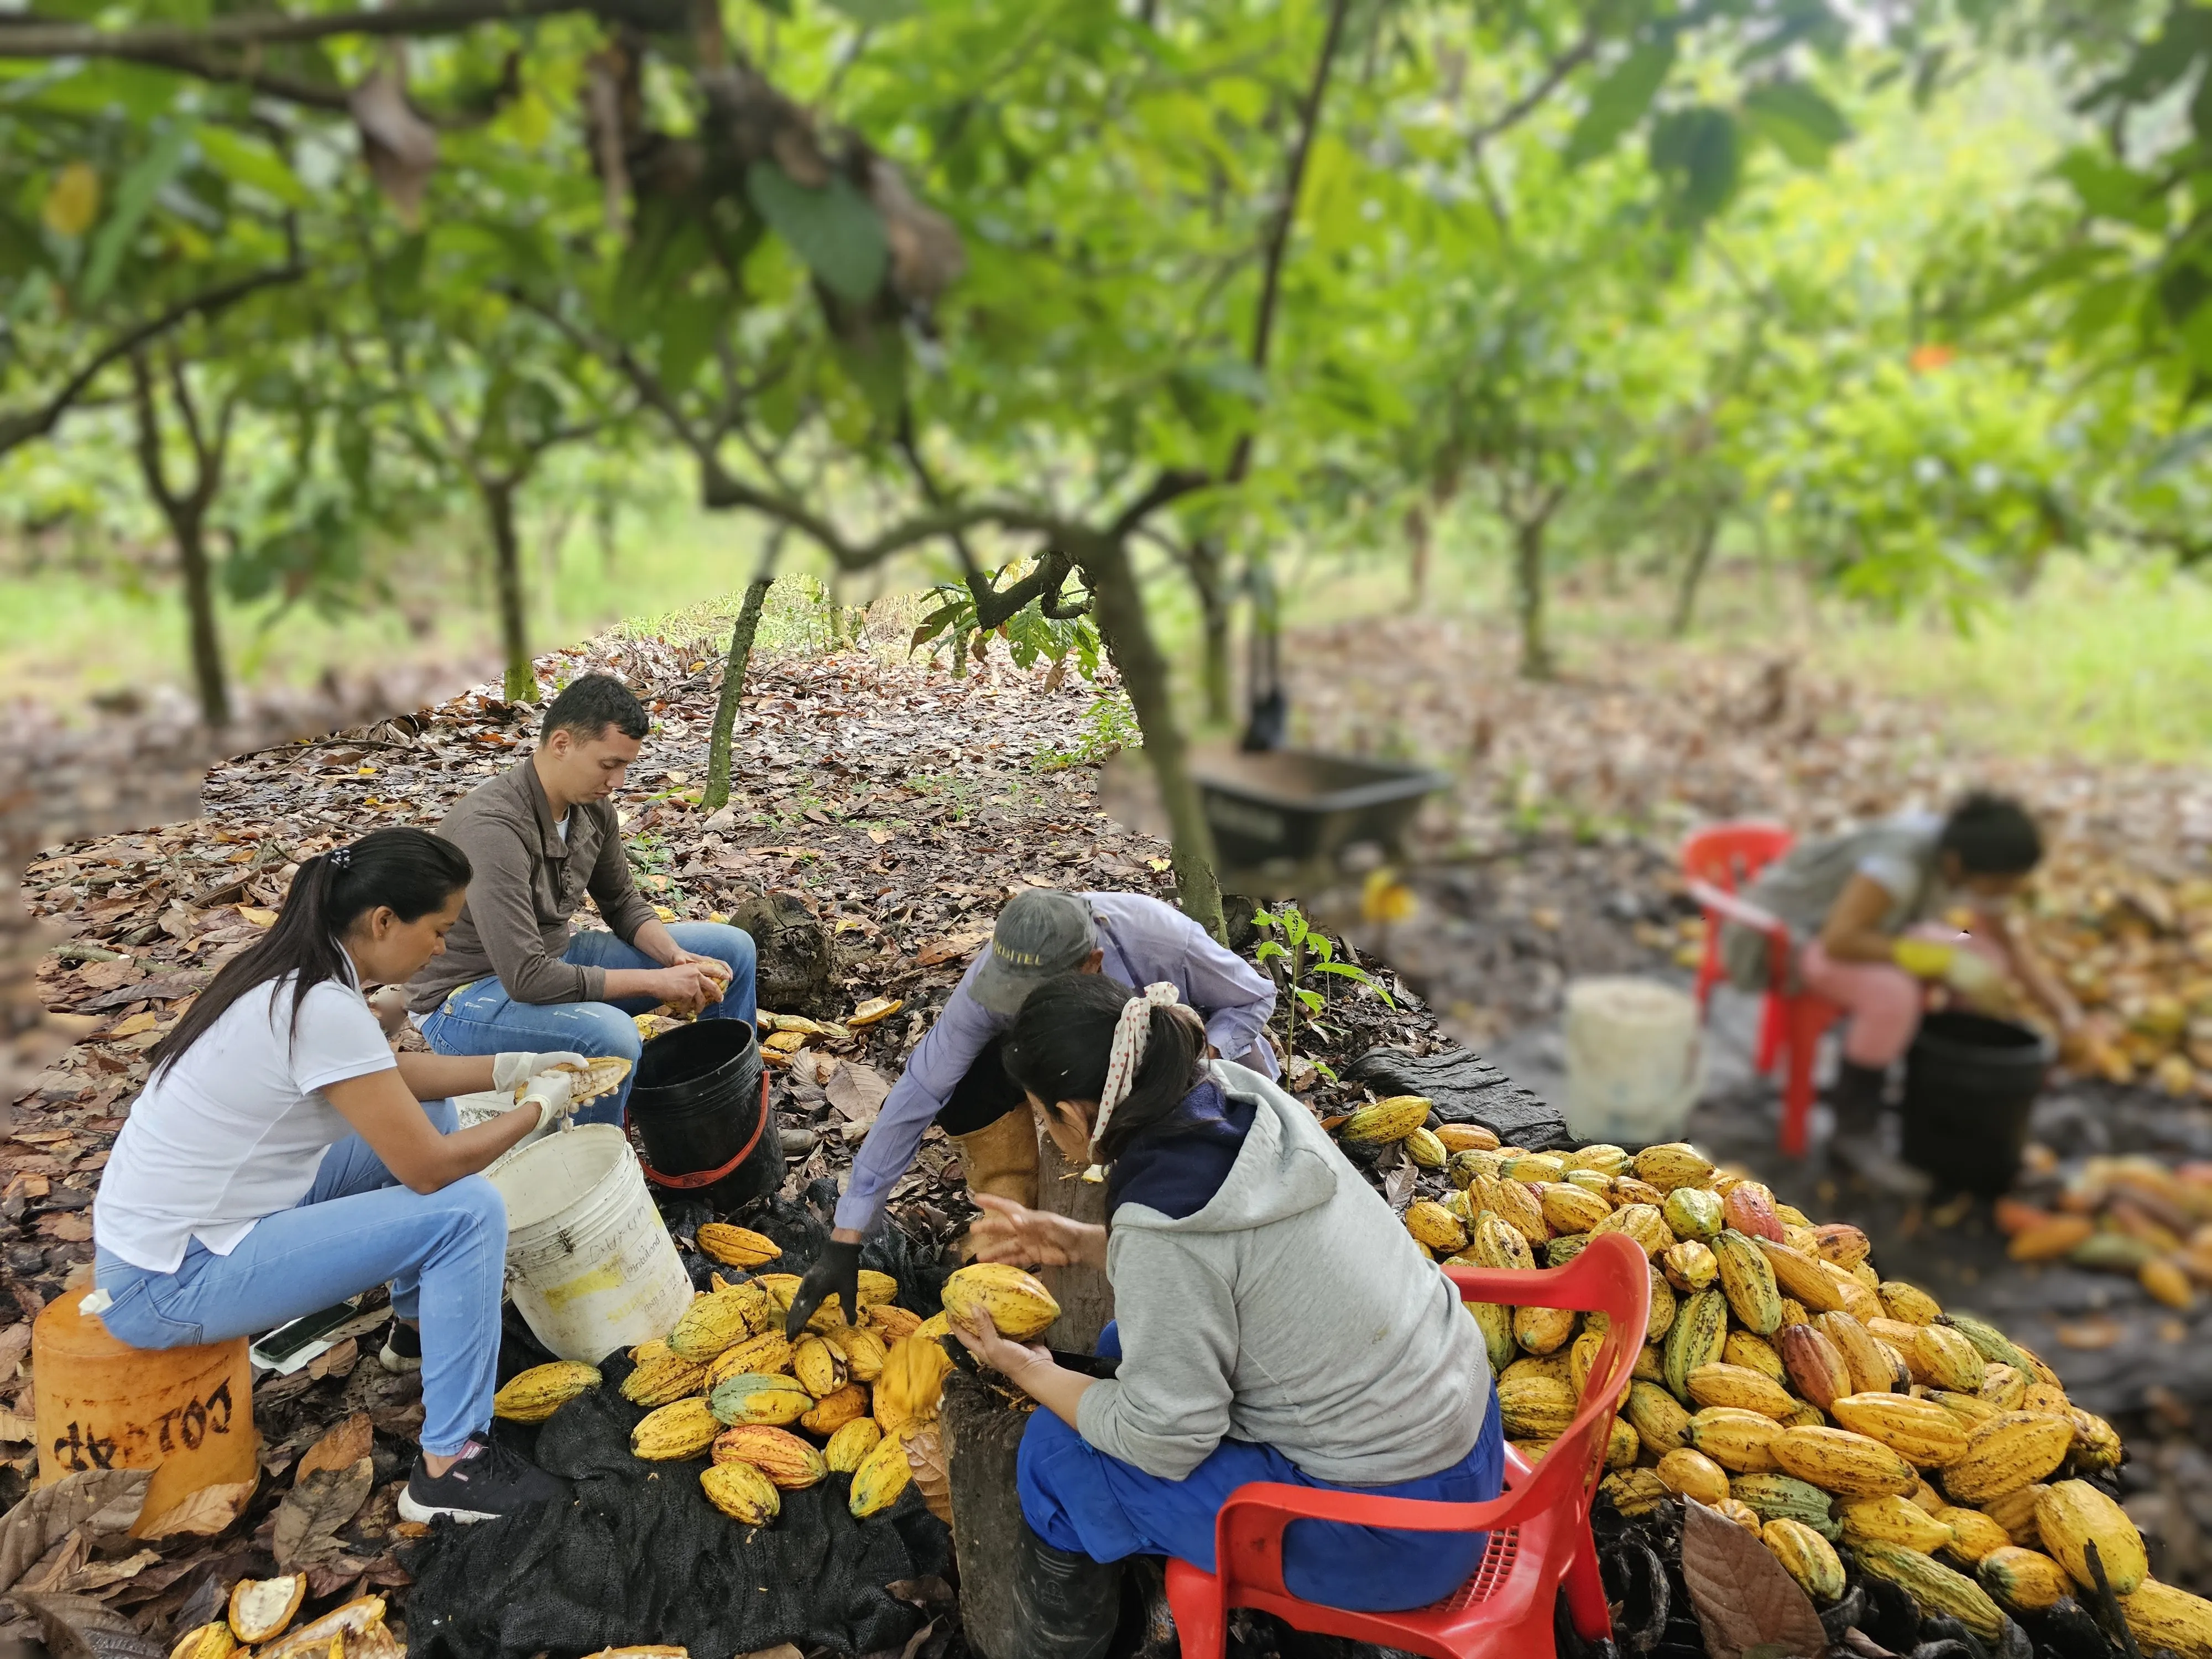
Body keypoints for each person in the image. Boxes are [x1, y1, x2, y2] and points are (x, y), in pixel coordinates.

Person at [945, 974, 1501, 1653]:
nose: (1046, 1132)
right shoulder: (1245, 1096)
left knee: (1054, 1453)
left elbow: (1163, 1438)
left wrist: (1024, 1367)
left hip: (1397, 1535)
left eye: (1042, 1117)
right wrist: (1088, 1245)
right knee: (1125, 1344)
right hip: (1466, 1434)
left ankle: (1058, 1644)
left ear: (1078, 1115)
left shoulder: (1164, 1232)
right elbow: (1235, 1261)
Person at [92, 828, 581, 1524]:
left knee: (434, 1110)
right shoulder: (319, 1007)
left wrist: (513, 1068)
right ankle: (450, 1466)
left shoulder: (298, 971)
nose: (442, 948)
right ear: (383, 921)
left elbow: (392, 1077)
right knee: (467, 1210)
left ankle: (417, 1328)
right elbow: (431, 1170)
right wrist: (537, 1108)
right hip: (170, 1281)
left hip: (185, 1230)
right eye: (439, 930)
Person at [785, 886, 1276, 1333]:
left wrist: (1191, 1064)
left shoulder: (1157, 938)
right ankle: (1017, 1236)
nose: (1017, 1008)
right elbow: (920, 1090)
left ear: (1093, 964)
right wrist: (848, 1234)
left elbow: (1254, 998)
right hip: (1082, 1088)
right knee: (972, 1079)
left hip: (1197, 1074)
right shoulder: (997, 976)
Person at [408, 673, 758, 1126]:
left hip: (554, 957)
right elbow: (527, 979)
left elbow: (623, 904)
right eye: (608, 764)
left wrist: (674, 958)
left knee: (732, 949)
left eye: (626, 767)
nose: (617, 781)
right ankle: (600, 1160)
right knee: (612, 1037)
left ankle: (727, 1110)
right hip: (466, 999)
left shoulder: (591, 808)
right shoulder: (492, 828)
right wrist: (657, 984)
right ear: (561, 743)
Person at [1721, 791, 2080, 1192]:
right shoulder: (1899, 866)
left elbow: (2006, 944)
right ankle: (1853, 1130)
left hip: (1876, 930)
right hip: (1792, 940)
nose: (2002, 894)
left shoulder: (1968, 855)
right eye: (1998, 884)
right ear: (1959, 865)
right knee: (1894, 994)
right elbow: (1840, 939)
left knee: (1981, 955)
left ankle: (1946, 1093)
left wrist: (2066, 1012)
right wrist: (1939, 961)